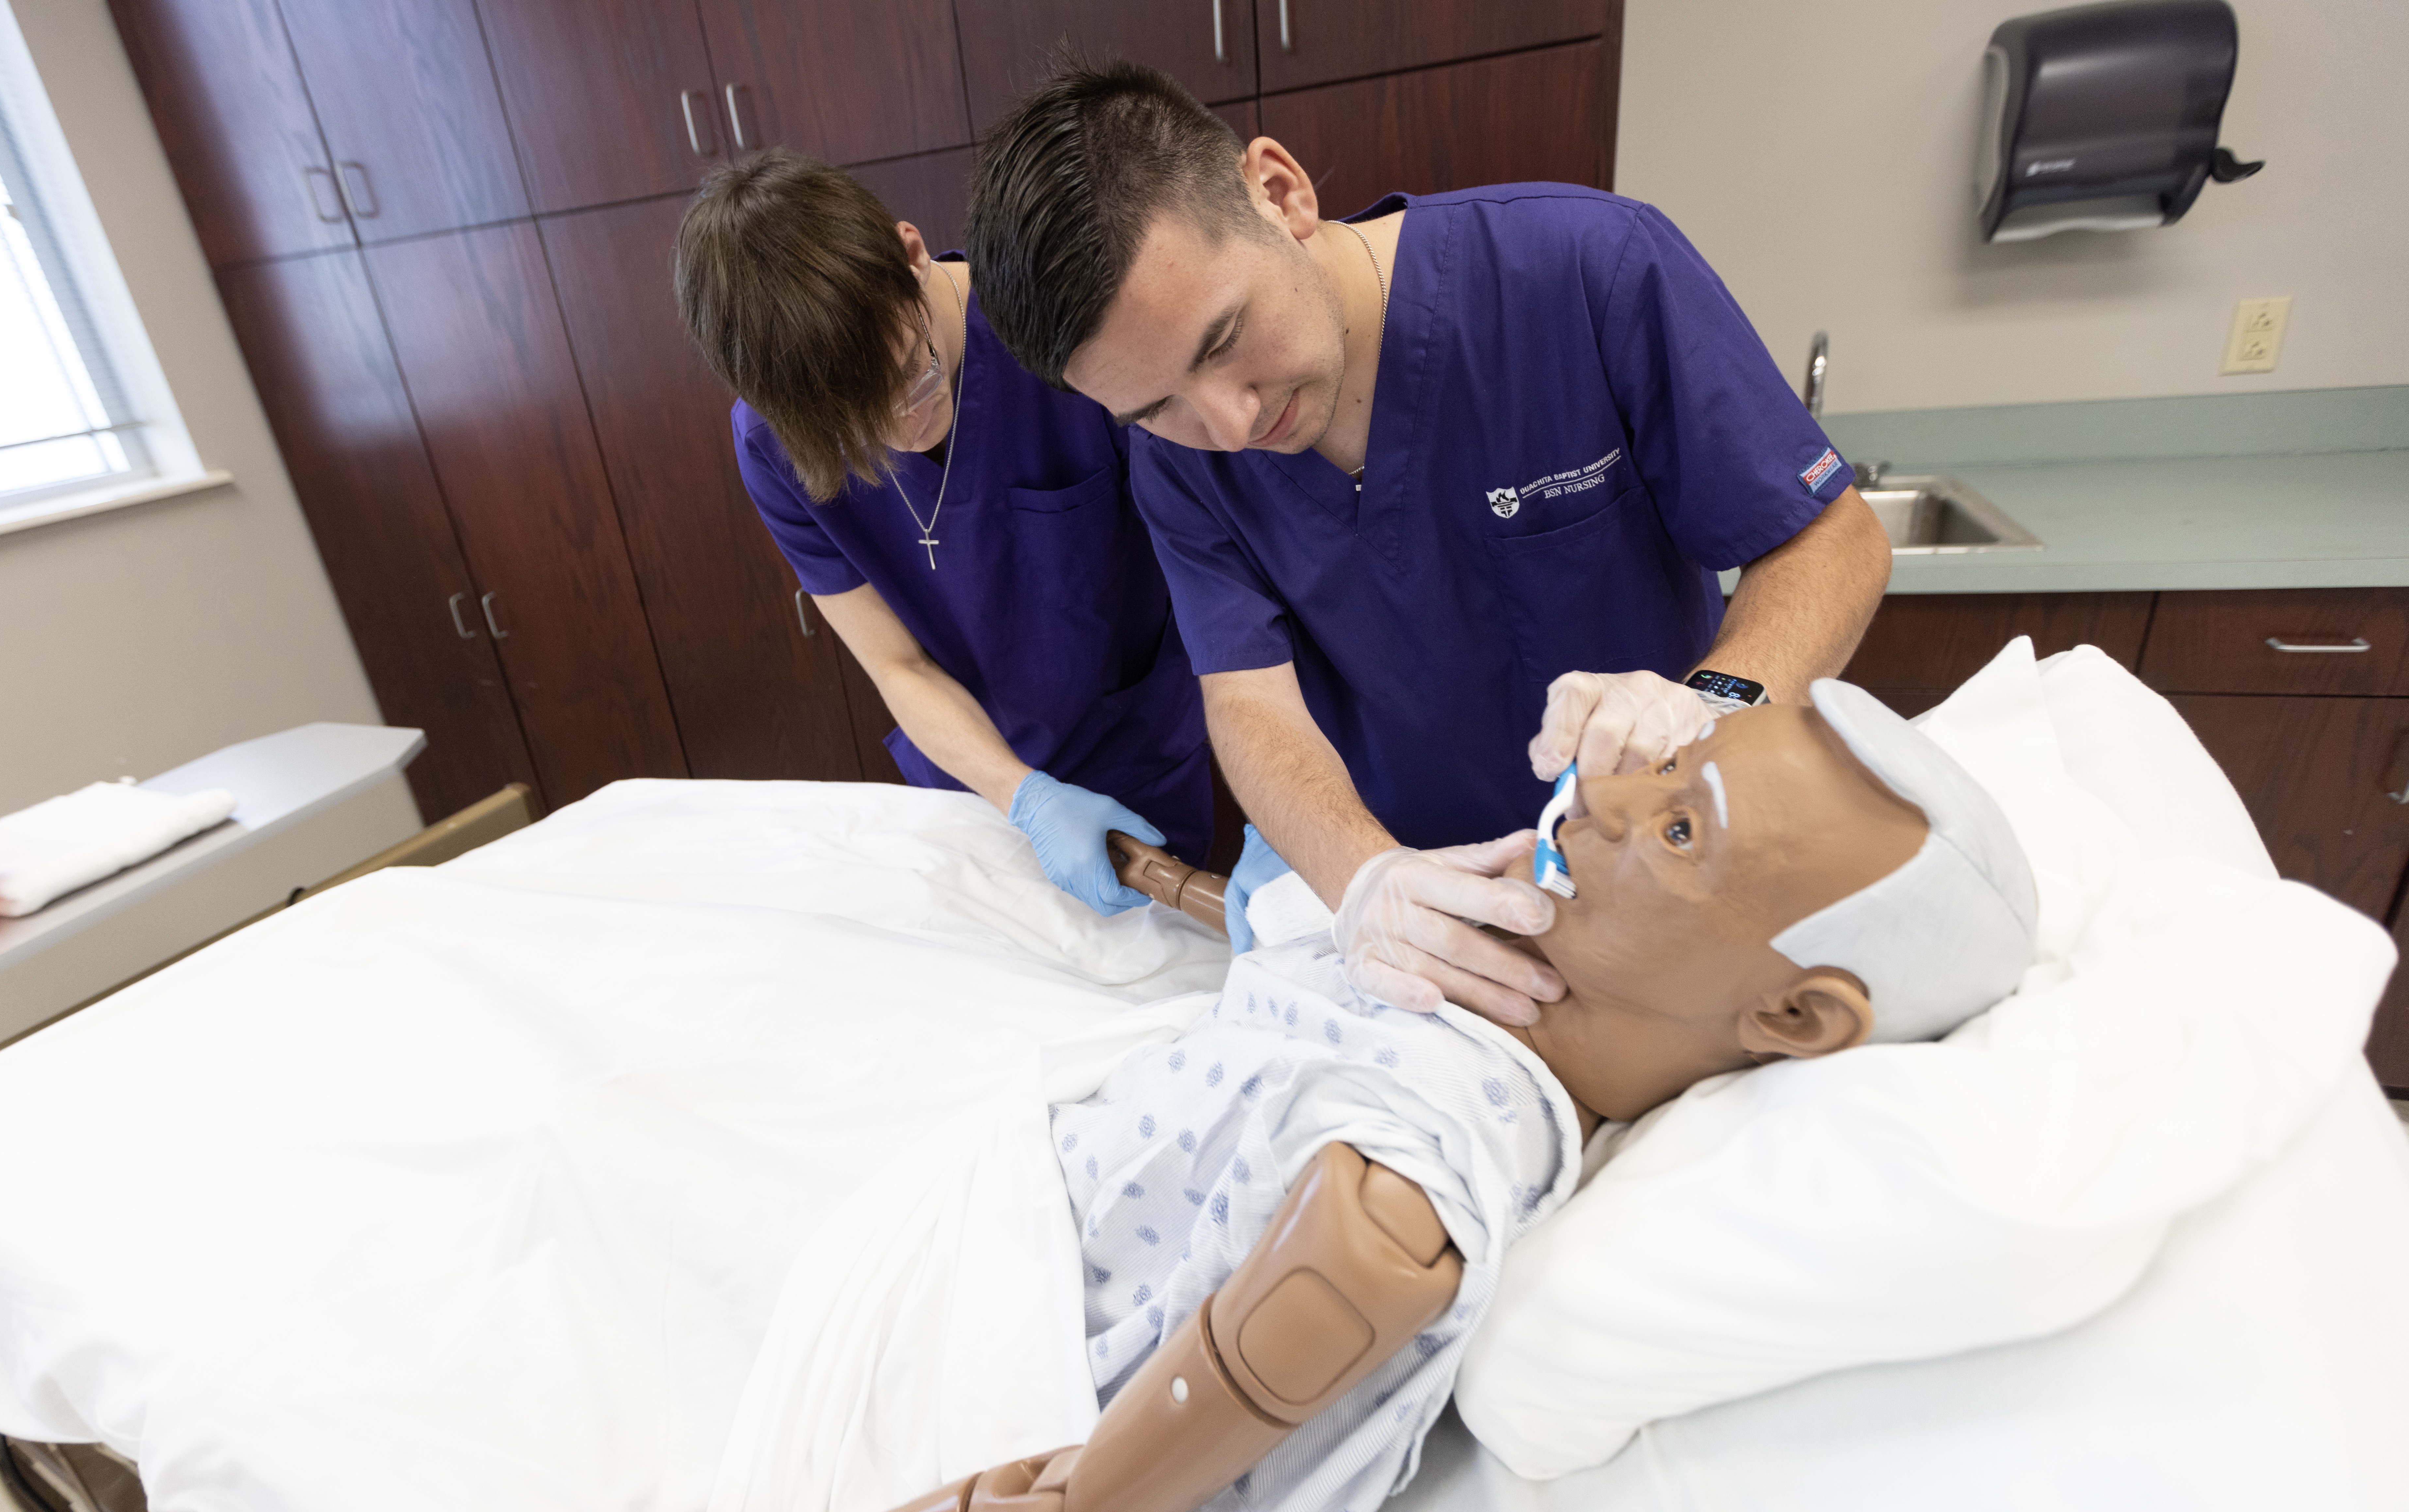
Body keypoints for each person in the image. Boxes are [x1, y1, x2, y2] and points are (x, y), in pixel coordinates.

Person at [888, 682, 2037, 1512]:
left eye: (1681, 830)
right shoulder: (1497, 927)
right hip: (1020, 1172)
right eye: (1669, 767)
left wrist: (1074, 1497)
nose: (1605, 794)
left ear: (1793, 1017)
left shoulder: (1479, 1102)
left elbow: (1359, 1256)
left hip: (1020, 1308)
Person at [961, 60, 1893, 1017]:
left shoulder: (1586, 270)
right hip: (1436, 917)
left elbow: (1832, 540)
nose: (1230, 428)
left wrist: (1710, 707)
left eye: (1221, 340)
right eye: (1156, 405)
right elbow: (1250, 706)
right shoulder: (1179, 464)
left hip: (1660, 872)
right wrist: (1365, 880)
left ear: (1279, 193)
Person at [675, 148, 1211, 911]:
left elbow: (1214, 562)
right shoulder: (771, 444)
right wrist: (1020, 797)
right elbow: (896, 664)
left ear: (911, 254)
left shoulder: (1056, 335)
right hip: (964, 785)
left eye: (911, 381)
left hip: (1135, 753)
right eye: (853, 434)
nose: (900, 435)